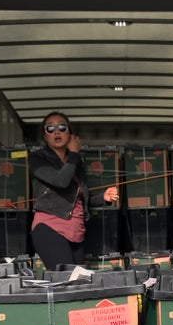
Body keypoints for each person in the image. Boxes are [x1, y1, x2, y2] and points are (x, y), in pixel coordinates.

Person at [30, 111, 119, 268]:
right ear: (44, 136)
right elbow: (61, 181)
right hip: (50, 227)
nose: (56, 131)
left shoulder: (76, 163)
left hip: (76, 233)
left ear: (70, 134)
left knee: (78, 280)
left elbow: (79, 199)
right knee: (67, 278)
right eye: (50, 128)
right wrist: (74, 154)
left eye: (62, 127)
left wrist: (103, 197)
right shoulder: (38, 158)